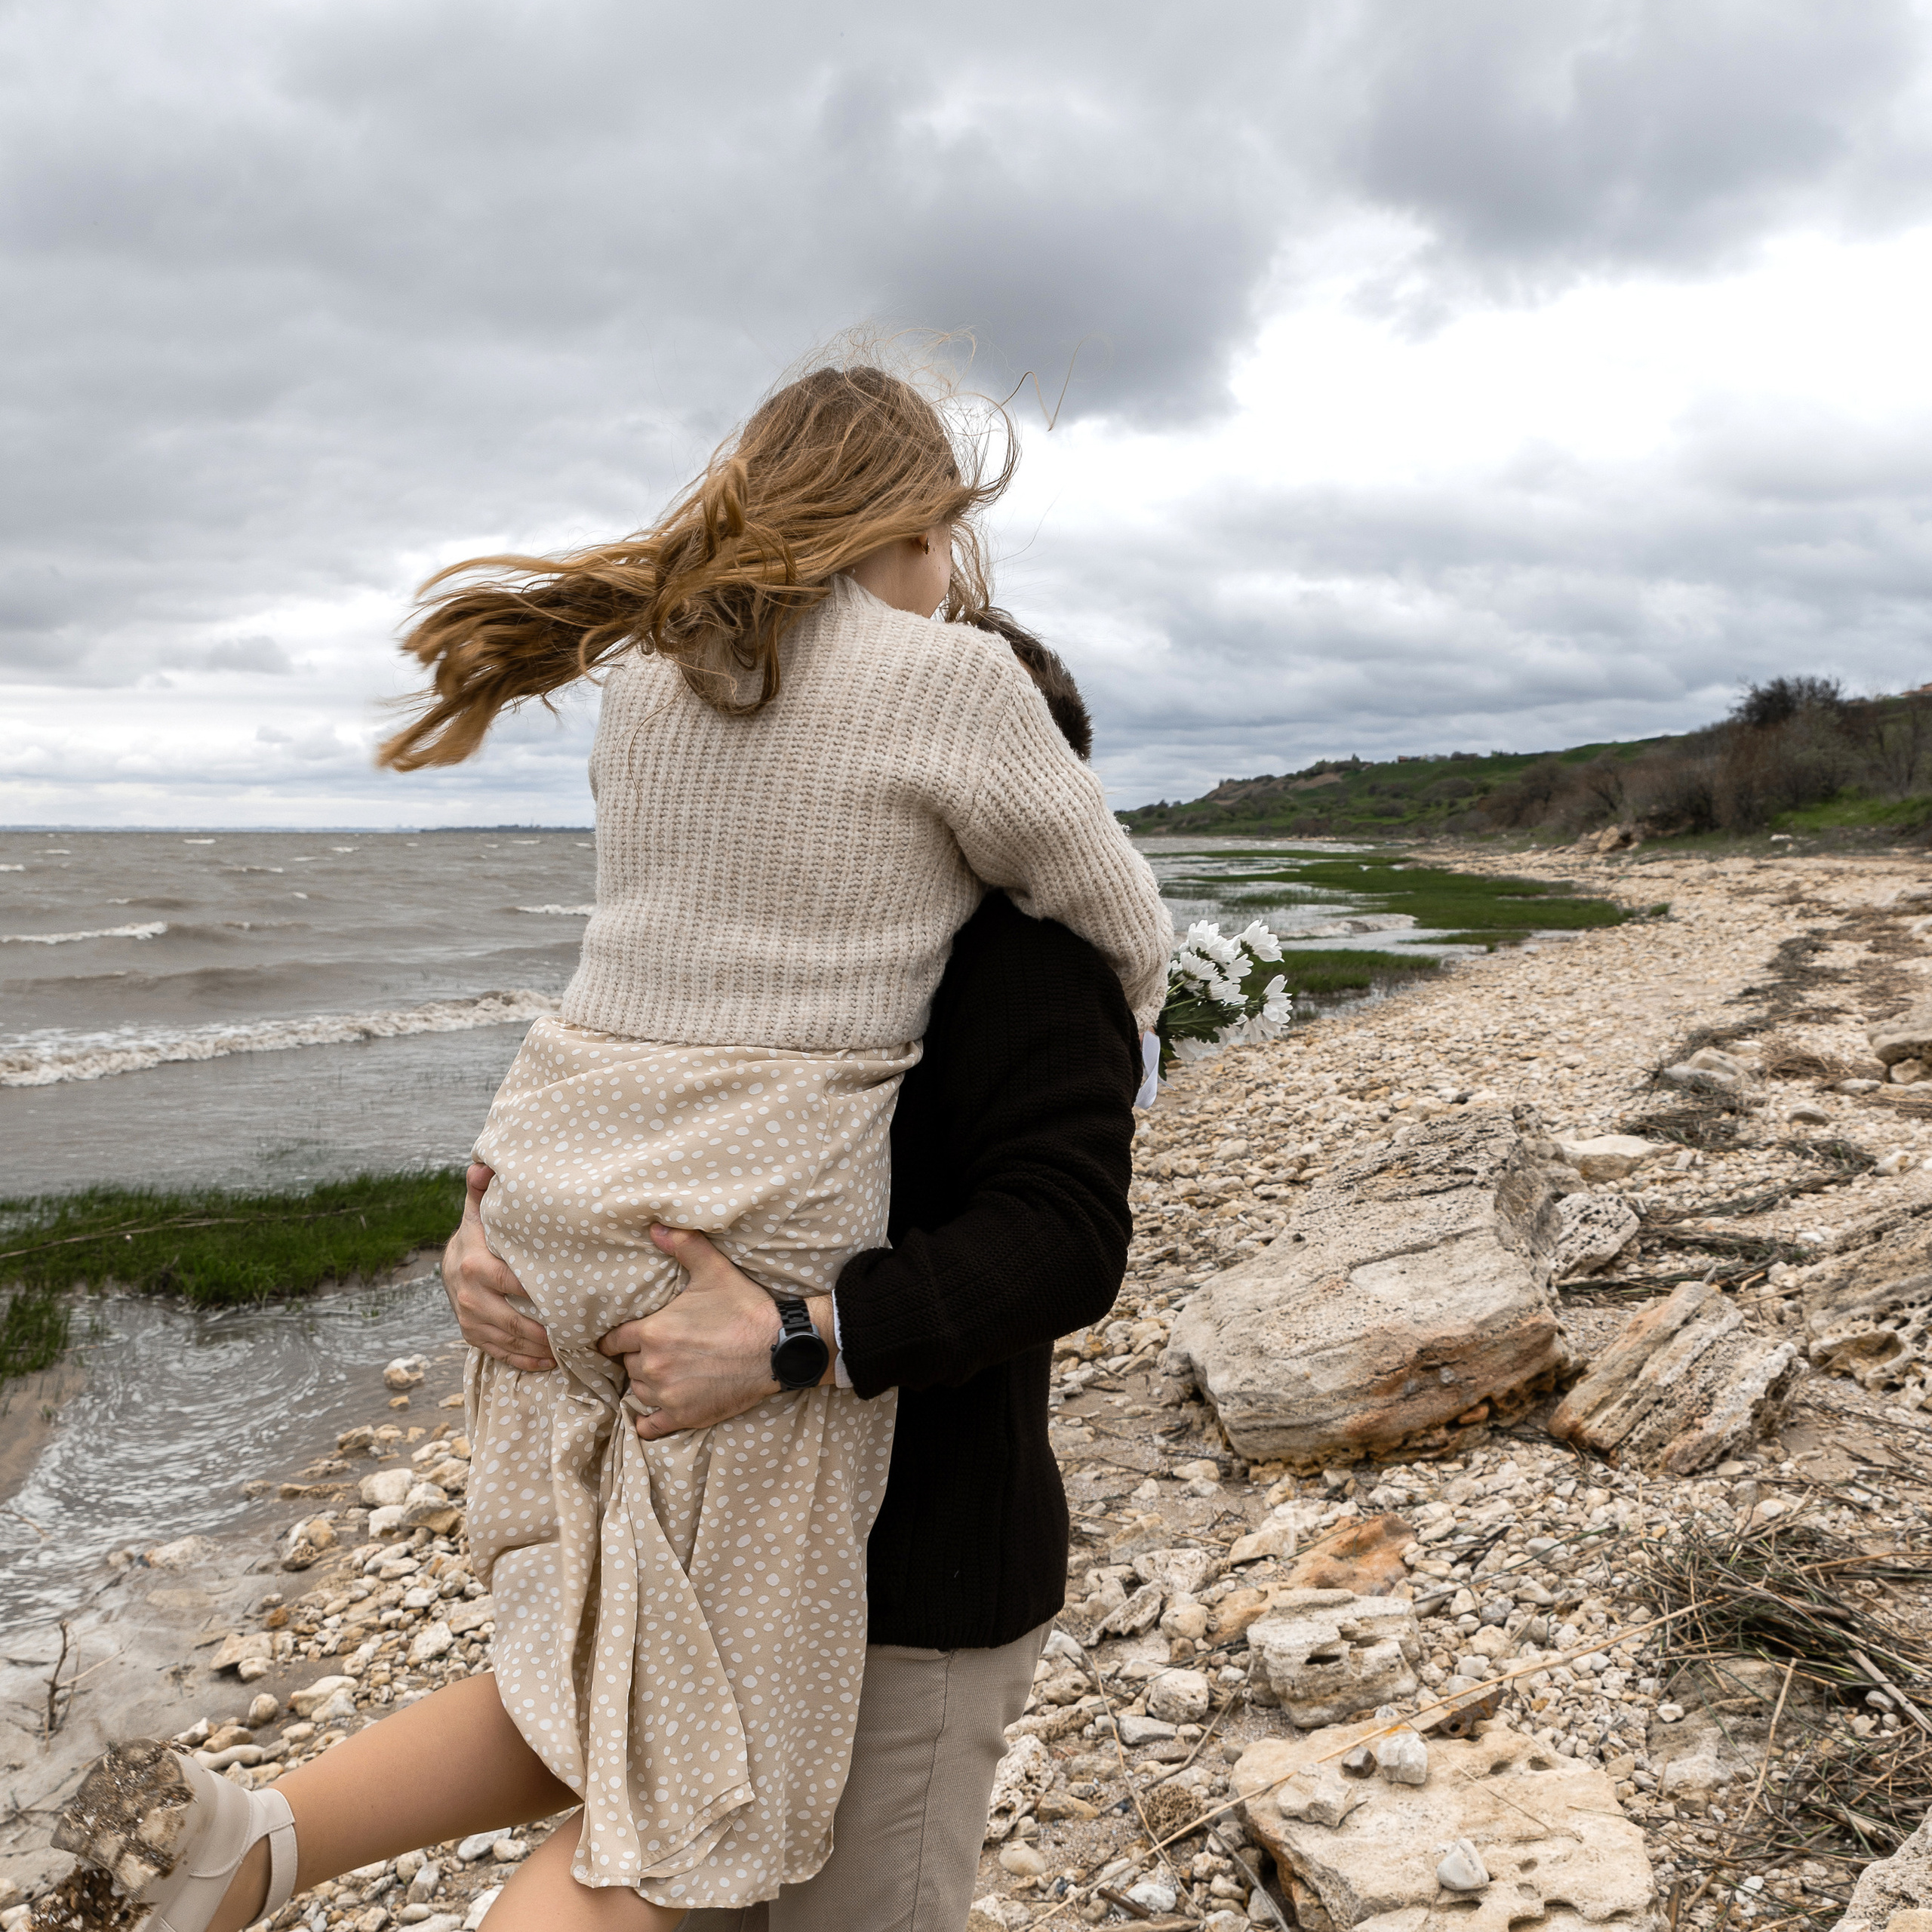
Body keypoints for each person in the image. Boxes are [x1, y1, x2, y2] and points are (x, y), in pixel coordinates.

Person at [53, 355, 1170, 1932]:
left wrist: (511, 1217)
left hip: (595, 1206)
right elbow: (1117, 959)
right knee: (677, 1820)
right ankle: (257, 1845)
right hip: (869, 1554)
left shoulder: (671, 694)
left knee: (605, 1707)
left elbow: (646, 1011)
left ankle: (259, 1843)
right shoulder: (990, 842)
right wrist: (782, 1329)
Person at [444, 620, 1136, 1930]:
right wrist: (487, 1248)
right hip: (721, 1559)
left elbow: (1065, 1238)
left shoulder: (1033, 960)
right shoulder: (781, 949)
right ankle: (253, 1845)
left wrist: (795, 1335)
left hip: (920, 1589)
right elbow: (608, 1153)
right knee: (665, 1876)